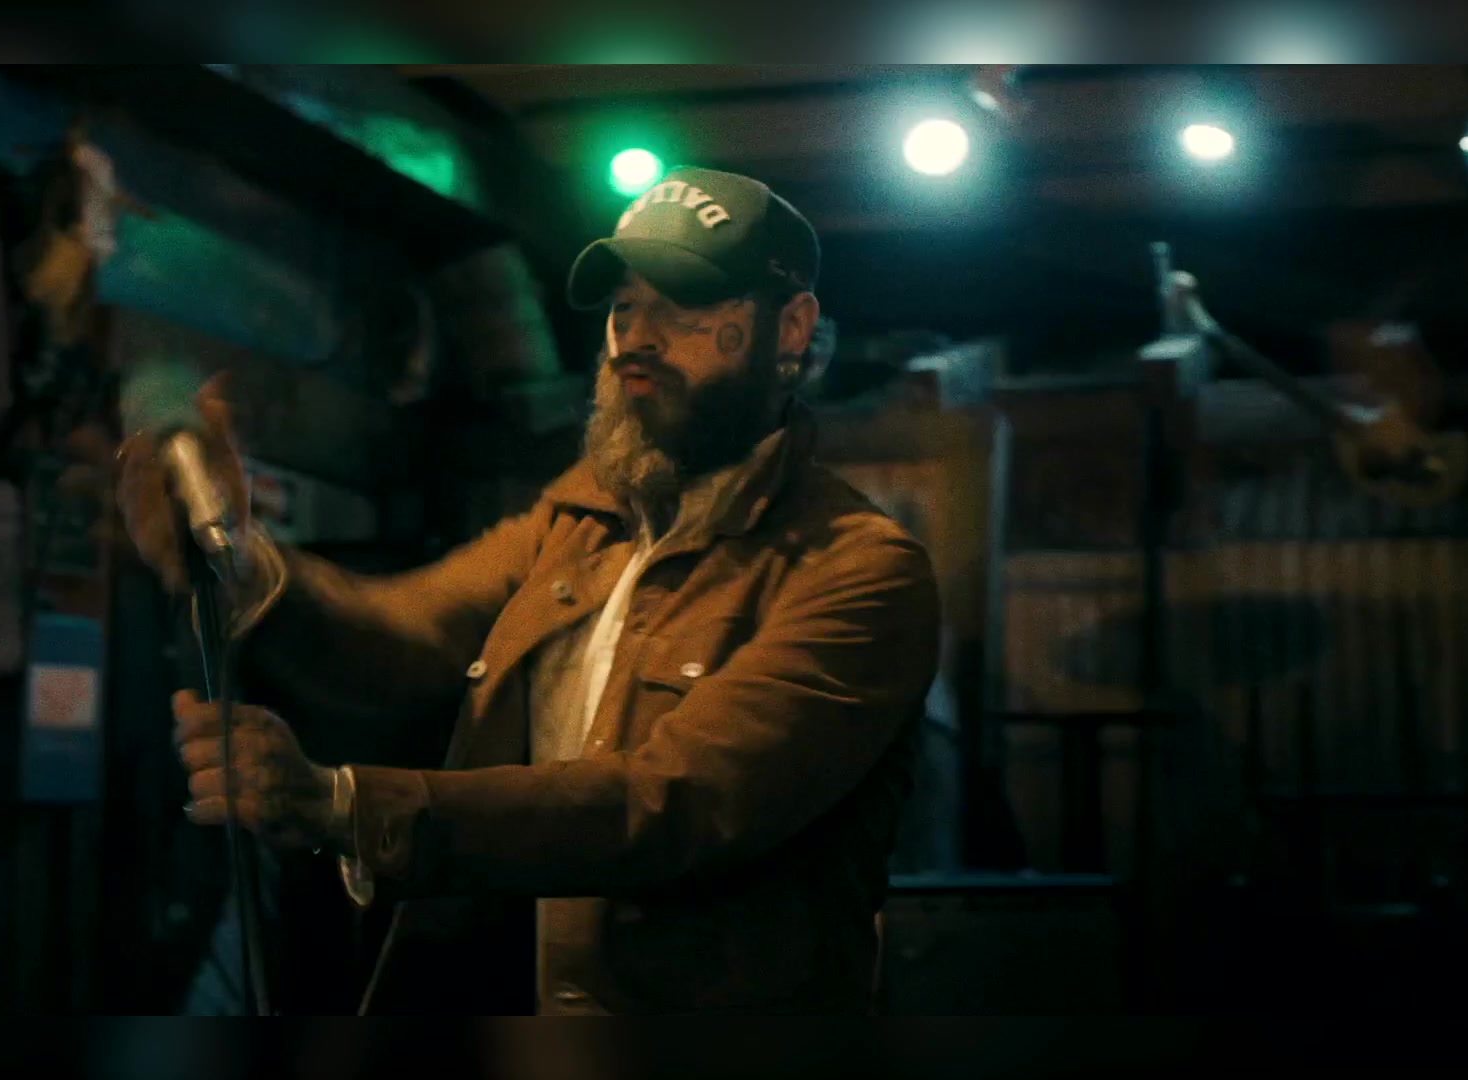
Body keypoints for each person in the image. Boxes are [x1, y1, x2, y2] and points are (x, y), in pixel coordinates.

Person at [117, 167, 941, 1015]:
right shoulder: (579, 523)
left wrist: (346, 807)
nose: (638, 337)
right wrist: (243, 564)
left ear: (790, 328)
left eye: (684, 308)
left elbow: (673, 804)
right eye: (625, 306)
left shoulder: (859, 569)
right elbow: (403, 633)